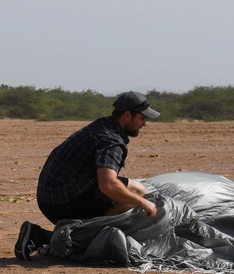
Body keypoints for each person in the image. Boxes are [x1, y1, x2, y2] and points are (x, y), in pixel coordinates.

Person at [16, 91, 159, 260]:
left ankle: (48, 236)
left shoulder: (102, 126)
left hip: (50, 196)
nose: (144, 124)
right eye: (142, 119)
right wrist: (143, 202)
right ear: (127, 115)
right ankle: (48, 237)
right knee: (136, 191)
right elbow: (108, 185)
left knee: (127, 191)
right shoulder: (111, 140)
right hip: (62, 201)